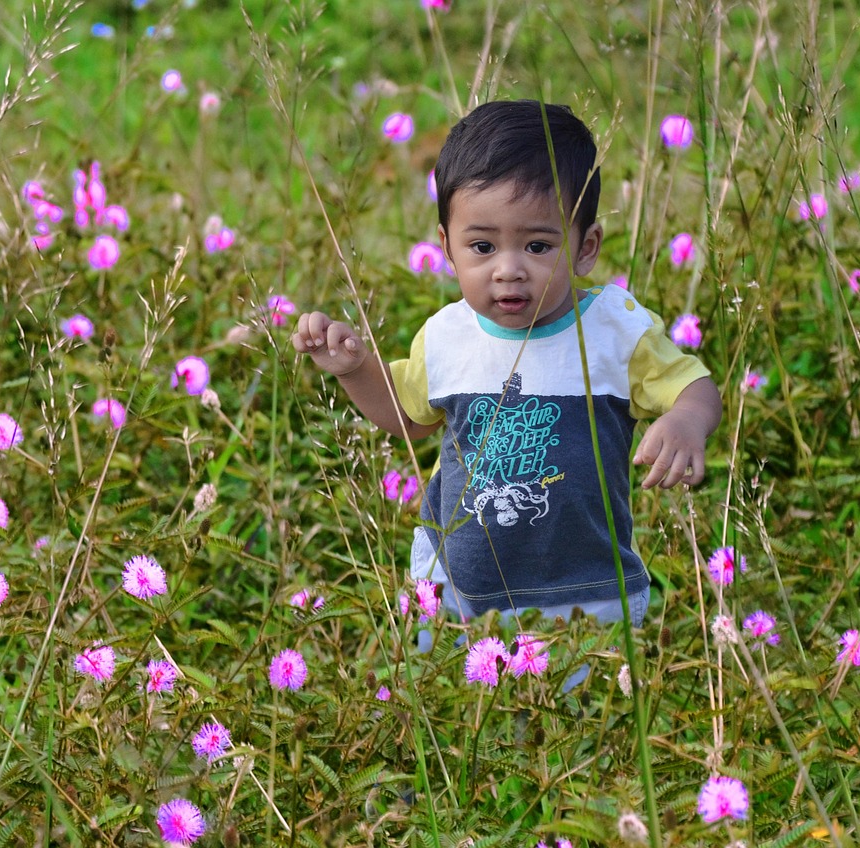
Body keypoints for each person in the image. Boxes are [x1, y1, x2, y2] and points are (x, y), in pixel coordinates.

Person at [292, 100, 722, 641]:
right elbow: (411, 419)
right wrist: (355, 369)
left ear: (585, 248)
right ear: (447, 247)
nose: (509, 270)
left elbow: (695, 386)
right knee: (458, 710)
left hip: (586, 590)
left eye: (538, 245)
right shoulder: (449, 335)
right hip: (455, 586)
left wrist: (686, 419)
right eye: (483, 246)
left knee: (578, 715)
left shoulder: (615, 331)